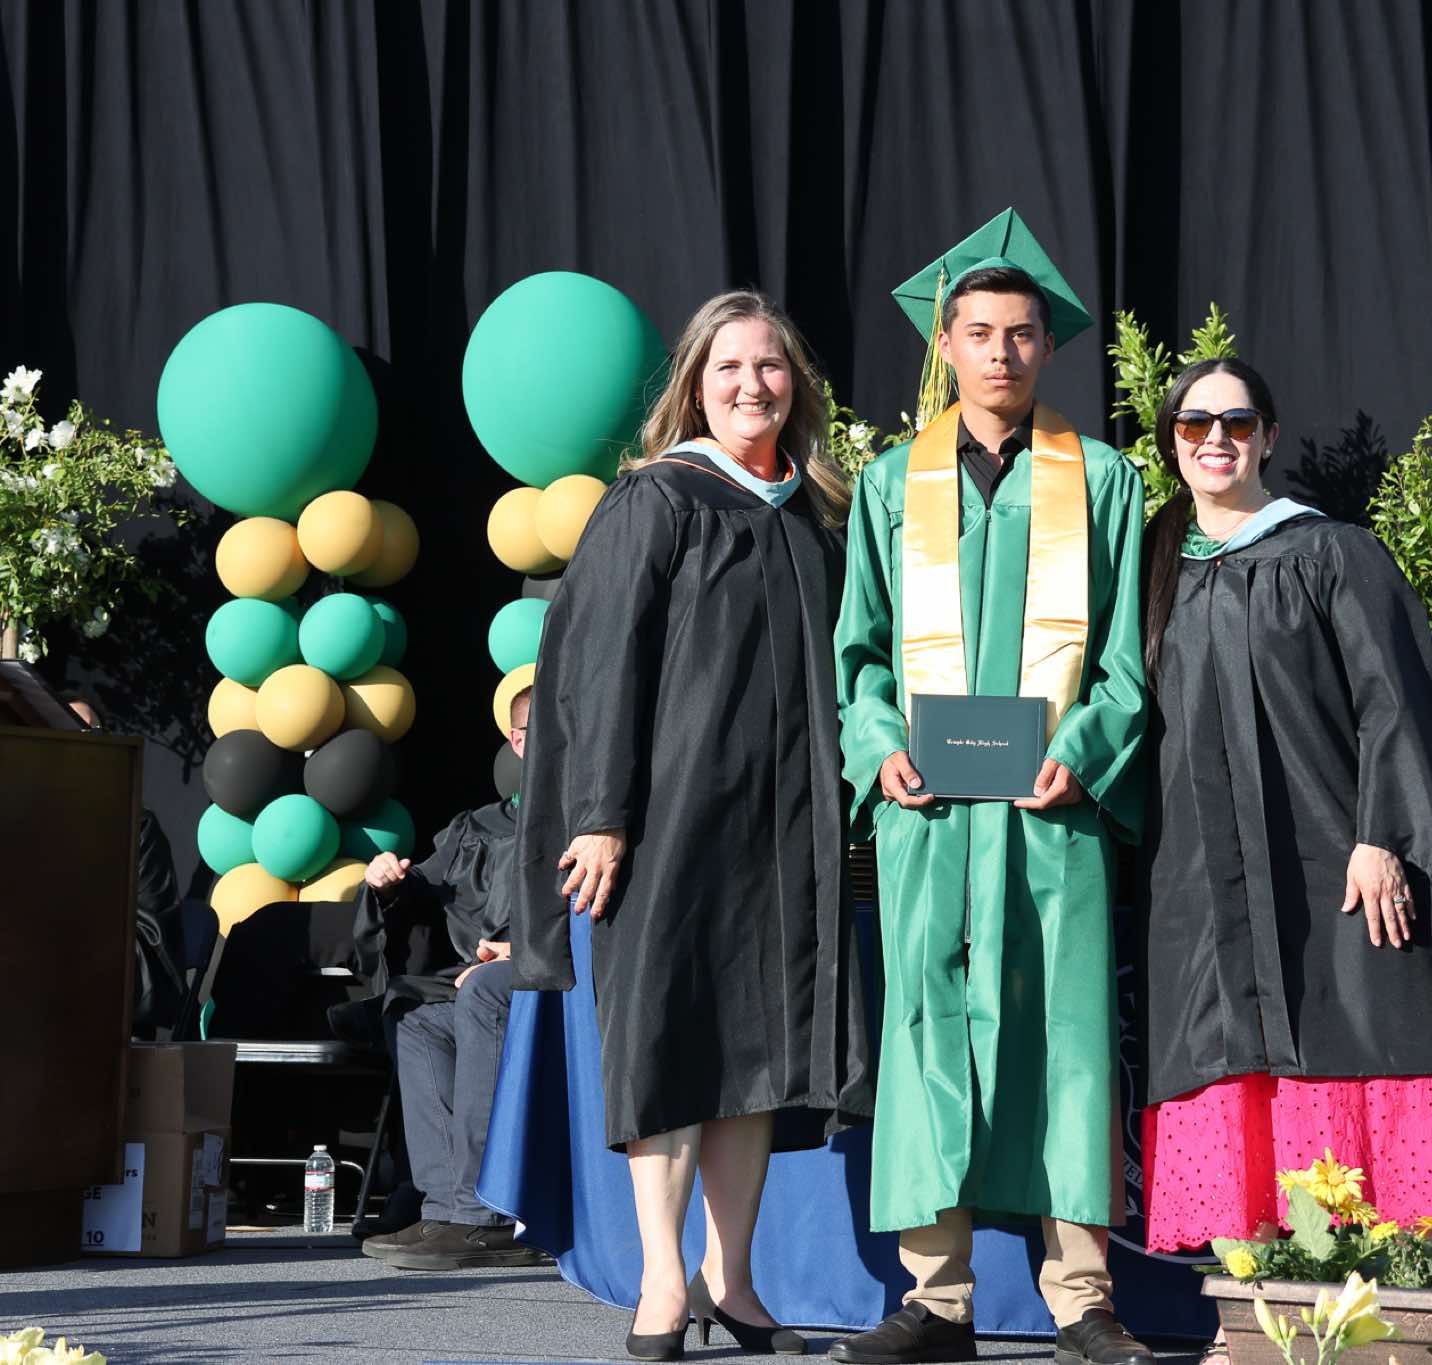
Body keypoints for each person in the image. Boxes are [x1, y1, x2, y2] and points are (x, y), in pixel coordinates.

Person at [511, 289, 872, 1361]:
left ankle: (734, 1277)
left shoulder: (812, 515)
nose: (752, 385)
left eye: (770, 365)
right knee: (667, 1047)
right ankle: (663, 1281)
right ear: (694, 386)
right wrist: (601, 816)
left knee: (752, 1055)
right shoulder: (658, 499)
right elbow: (601, 667)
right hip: (668, 828)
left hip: (783, 834)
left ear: (796, 384)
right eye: (729, 367)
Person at [832, 210, 1151, 1365]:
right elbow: (859, 655)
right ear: (946, 345)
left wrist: (1087, 752)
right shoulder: (888, 486)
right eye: (978, 334)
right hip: (929, 819)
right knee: (927, 1036)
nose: (1001, 353)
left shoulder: (1102, 480)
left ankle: (1082, 1301)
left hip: (1051, 817)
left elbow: (1125, 660)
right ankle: (937, 1300)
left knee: (1068, 1043)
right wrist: (878, 748)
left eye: (1020, 334)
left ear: (1046, 346)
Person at [1135, 359, 1432, 1306]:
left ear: (1270, 435)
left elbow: (1395, 704)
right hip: (1197, 884)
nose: (1216, 439)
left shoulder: (1334, 552)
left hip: (1332, 866)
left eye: (1237, 421)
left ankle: (1372, 1316)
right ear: (1171, 440)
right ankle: (1254, 1320)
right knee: (1226, 1075)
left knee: (1350, 1043)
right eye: (1195, 423)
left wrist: (1382, 834)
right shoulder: (1149, 568)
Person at [357, 685, 545, 1270]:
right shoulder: (477, 827)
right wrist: (387, 881)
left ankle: (485, 1215)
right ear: (517, 741)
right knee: (415, 1017)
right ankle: (446, 1209)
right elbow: (424, 885)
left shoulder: (596, 823)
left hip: (561, 978)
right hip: (485, 983)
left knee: (482, 990)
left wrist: (522, 953)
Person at [62, 690, 192, 1037]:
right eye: (66, 729)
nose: (81, 740)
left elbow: (155, 947)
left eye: (92, 731)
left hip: (99, 1021)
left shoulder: (134, 827)